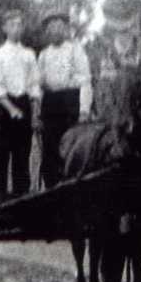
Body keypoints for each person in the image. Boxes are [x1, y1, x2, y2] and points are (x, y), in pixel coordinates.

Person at [0, 9, 38, 200]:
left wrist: (34, 112)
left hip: (23, 106)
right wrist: (11, 109)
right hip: (3, 109)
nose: (17, 29)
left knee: (21, 158)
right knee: (0, 157)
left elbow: (34, 85)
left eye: (20, 25)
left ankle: (21, 201)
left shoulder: (29, 54)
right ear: (5, 28)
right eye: (13, 25)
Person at [36, 10, 92, 189]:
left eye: (59, 27)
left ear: (66, 29)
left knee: (71, 151)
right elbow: (38, 86)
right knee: (50, 153)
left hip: (70, 104)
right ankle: (51, 191)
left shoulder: (75, 49)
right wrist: (37, 113)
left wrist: (84, 111)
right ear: (47, 32)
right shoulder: (44, 55)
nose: (55, 32)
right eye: (51, 29)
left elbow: (85, 81)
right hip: (50, 106)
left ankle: (72, 191)